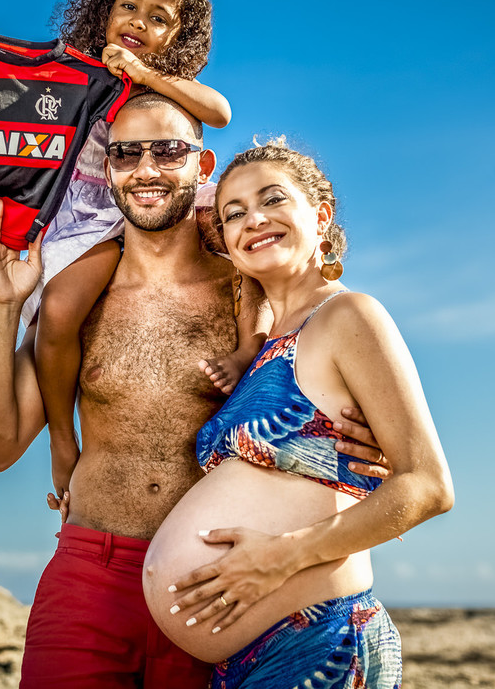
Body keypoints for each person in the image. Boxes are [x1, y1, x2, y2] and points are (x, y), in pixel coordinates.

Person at [0, 94, 391, 688]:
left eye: (168, 152)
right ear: (107, 169)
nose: (147, 169)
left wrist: (364, 446)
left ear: (203, 165)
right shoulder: (78, 306)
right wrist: (5, 306)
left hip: (220, 590)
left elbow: (332, 364)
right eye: (127, 154)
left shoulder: (255, 294)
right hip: (90, 574)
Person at [0, 0, 260, 503]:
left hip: (130, 214)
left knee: (245, 255)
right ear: (103, 12)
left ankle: (248, 352)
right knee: (56, 314)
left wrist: (142, 74)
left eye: (159, 18)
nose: (139, 22)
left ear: (176, 39)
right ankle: (64, 443)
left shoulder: (158, 84)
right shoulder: (74, 73)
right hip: (80, 217)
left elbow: (220, 112)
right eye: (128, 7)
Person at [140, 140, 455, 688]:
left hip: (319, 648)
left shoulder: (348, 314)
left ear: (321, 217)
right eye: (233, 213)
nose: (252, 219)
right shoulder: (264, 348)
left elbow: (428, 485)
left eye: (272, 200)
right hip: (248, 660)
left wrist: (282, 557)